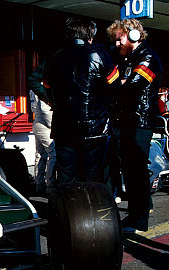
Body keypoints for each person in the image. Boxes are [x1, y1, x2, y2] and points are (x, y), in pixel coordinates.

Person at [43, 17, 119, 187]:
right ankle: (93, 211)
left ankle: (67, 210)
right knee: (93, 176)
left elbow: (46, 86)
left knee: (66, 174)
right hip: (95, 127)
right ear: (90, 35)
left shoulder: (55, 58)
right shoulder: (100, 55)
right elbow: (114, 88)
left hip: (63, 126)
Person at [106, 19, 162, 232]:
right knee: (128, 170)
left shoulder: (148, 57)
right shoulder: (125, 59)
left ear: (133, 36)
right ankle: (134, 216)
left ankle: (139, 220)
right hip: (125, 120)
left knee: (136, 171)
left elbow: (132, 87)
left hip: (140, 121)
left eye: (119, 38)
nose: (117, 44)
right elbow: (114, 83)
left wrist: (118, 83)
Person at [27, 61, 56, 195]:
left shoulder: (34, 88)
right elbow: (46, 111)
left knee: (40, 154)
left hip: (37, 123)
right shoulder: (42, 88)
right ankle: (50, 185)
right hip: (45, 124)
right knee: (53, 153)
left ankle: (39, 183)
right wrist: (54, 126)